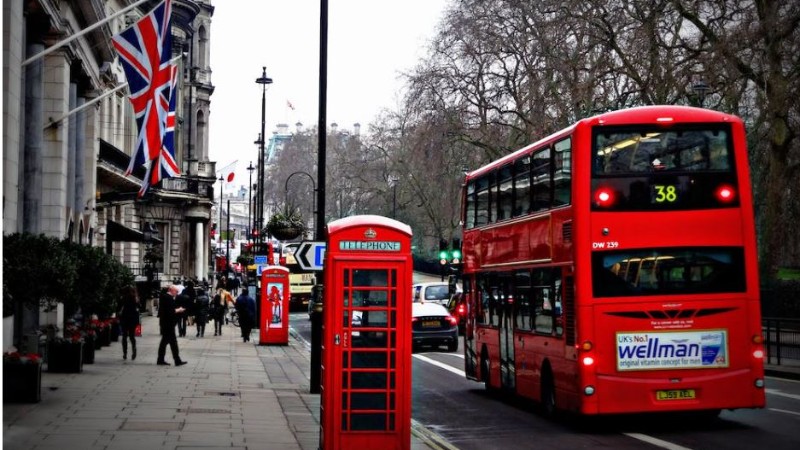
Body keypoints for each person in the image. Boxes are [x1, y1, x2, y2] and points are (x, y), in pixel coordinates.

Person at [157, 285, 187, 366]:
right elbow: (170, 311)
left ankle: (175, 360)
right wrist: (179, 310)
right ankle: (174, 360)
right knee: (168, 342)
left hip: (166, 323)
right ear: (171, 290)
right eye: (176, 291)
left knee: (170, 342)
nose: (177, 293)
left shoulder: (165, 297)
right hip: (168, 324)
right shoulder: (168, 298)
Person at [118, 285, 140, 360]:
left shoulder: (123, 298)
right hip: (133, 319)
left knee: (124, 336)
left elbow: (119, 307)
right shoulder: (135, 298)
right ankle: (134, 350)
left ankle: (125, 353)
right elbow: (139, 306)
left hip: (125, 318)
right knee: (132, 336)